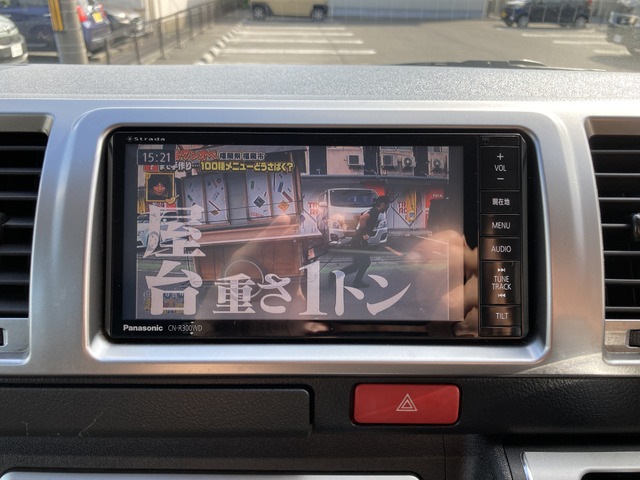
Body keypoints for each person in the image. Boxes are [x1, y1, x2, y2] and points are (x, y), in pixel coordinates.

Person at [337, 195, 390, 288]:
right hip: (359, 241)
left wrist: (357, 229)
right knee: (366, 262)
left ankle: (336, 276)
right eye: (387, 206)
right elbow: (362, 218)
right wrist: (364, 233)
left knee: (357, 265)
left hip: (357, 240)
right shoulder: (375, 211)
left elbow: (357, 217)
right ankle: (355, 282)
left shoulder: (371, 209)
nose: (387, 208)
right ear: (382, 205)